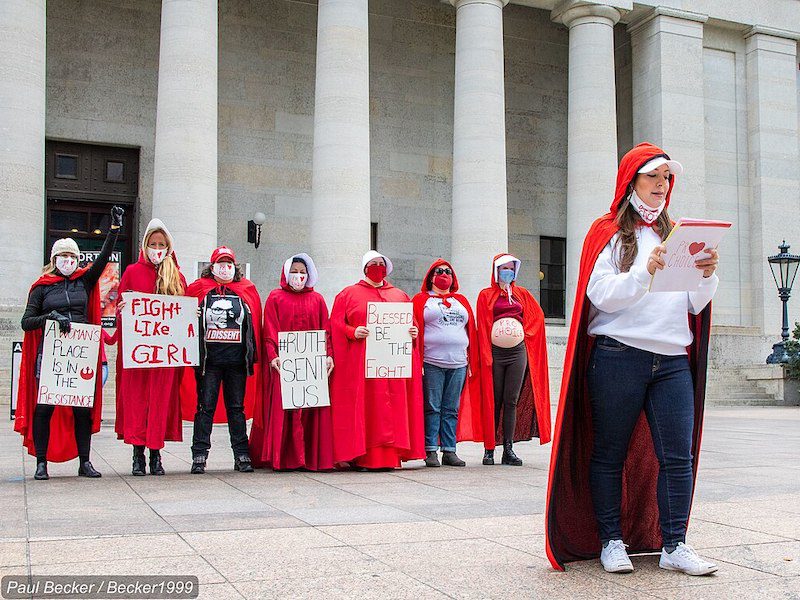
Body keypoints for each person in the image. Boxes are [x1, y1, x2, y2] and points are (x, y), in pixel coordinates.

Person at [544, 142, 720, 576]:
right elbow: (601, 295)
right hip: (618, 355)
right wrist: (645, 272)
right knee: (610, 453)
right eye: (653, 176)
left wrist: (706, 276)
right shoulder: (607, 232)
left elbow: (694, 305)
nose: (662, 185)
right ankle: (611, 541)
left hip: (671, 359)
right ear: (631, 181)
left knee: (678, 457)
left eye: (666, 178)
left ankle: (674, 544)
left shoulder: (676, 233)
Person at [15, 205, 124, 480]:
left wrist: (114, 229)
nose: (68, 260)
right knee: (45, 408)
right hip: (51, 355)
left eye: (72, 256)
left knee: (81, 410)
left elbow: (102, 260)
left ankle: (84, 462)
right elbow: (27, 322)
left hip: (79, 355)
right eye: (63, 256)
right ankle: (41, 463)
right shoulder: (42, 287)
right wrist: (49, 318)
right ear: (54, 259)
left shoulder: (83, 282)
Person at [329, 251, 425, 470]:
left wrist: (413, 332)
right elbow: (335, 324)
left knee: (392, 410)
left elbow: (411, 325)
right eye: (373, 263)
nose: (377, 267)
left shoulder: (400, 295)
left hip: (391, 367)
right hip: (361, 365)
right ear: (365, 268)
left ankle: (390, 457)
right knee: (367, 409)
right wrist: (352, 331)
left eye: (381, 264)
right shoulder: (348, 294)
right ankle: (362, 456)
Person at [249, 253, 335, 471]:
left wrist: (329, 355)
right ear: (286, 274)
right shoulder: (275, 298)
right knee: (284, 409)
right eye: (294, 272)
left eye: (302, 272)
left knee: (310, 409)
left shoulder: (317, 300)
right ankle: (285, 457)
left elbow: (326, 331)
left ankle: (308, 456)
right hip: (283, 365)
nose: (298, 276)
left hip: (311, 367)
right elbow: (269, 329)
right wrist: (273, 356)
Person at [115, 219, 187, 476]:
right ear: (145, 245)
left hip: (164, 357)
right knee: (137, 402)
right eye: (153, 244)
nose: (157, 249)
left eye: (161, 244)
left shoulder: (176, 276)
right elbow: (120, 307)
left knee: (159, 404)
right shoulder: (132, 272)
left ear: (168, 247)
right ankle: (138, 454)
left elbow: (182, 311)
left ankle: (156, 454)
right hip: (138, 354)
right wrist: (122, 311)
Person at [181, 246, 262, 474]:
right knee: (205, 407)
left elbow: (255, 321)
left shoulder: (246, 289)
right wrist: (192, 314)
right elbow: (181, 315)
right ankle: (199, 455)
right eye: (220, 263)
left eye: (229, 264)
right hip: (209, 362)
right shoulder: (199, 289)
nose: (225, 268)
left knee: (236, 408)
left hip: (236, 362)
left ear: (235, 267)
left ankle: (241, 454)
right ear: (212, 266)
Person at [474, 254, 551, 466]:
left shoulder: (521, 294)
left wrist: (525, 334)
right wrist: (486, 355)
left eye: (510, 268)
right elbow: (483, 324)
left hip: (517, 352)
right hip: (495, 353)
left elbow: (537, 316)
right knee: (495, 399)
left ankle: (508, 448)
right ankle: (489, 448)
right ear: (496, 271)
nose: (507, 271)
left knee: (511, 400)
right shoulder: (486, 295)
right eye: (503, 268)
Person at [411, 259, 480, 467]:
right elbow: (411, 323)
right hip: (431, 362)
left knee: (451, 408)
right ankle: (430, 449)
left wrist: (472, 360)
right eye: (439, 271)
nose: (444, 274)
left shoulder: (461, 301)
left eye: (448, 271)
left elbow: (471, 329)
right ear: (431, 277)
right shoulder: (421, 300)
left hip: (459, 363)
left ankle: (450, 450)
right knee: (432, 407)